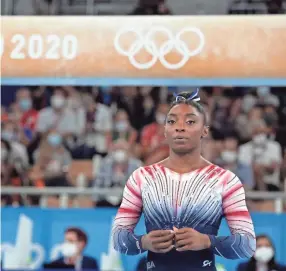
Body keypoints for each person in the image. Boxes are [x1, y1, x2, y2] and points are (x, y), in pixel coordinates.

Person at [112, 90, 256, 271]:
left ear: (205, 130)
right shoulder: (142, 177)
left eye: (190, 121)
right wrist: (143, 242)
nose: (180, 127)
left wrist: (207, 241)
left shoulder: (225, 180)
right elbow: (118, 238)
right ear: (165, 130)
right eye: (172, 121)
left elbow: (247, 244)